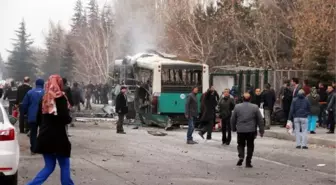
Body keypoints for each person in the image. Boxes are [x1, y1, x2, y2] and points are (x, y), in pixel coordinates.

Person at [27, 75, 74, 185]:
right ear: (59, 83)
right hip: (58, 138)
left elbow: (39, 118)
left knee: (49, 166)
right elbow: (64, 118)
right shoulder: (61, 98)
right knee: (64, 165)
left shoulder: (44, 98)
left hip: (44, 137)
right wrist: (69, 118)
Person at [231, 93, 264, 168]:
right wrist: (261, 131)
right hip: (251, 130)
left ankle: (241, 156)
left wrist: (233, 128)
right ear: (250, 99)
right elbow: (260, 120)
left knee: (240, 144)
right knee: (250, 145)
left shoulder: (237, 107)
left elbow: (233, 119)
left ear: (242, 99)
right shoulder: (255, 107)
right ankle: (248, 161)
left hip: (240, 130)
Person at [22, 79, 45, 155]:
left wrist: (24, 113)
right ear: (43, 84)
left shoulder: (30, 92)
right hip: (43, 116)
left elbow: (25, 104)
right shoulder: (46, 93)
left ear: (35, 84)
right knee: (43, 132)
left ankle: (34, 149)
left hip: (32, 115)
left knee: (33, 132)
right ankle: (42, 148)